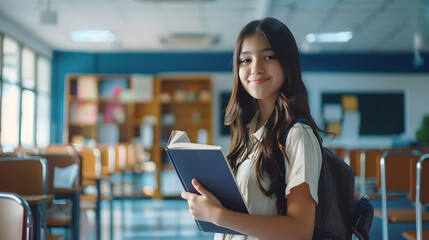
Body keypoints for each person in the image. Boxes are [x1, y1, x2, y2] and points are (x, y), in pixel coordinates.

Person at [181, 17, 324, 240]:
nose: (255, 68)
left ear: (287, 62)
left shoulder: (297, 135)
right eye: (246, 60)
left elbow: (300, 230)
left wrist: (218, 216)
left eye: (268, 57)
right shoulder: (247, 132)